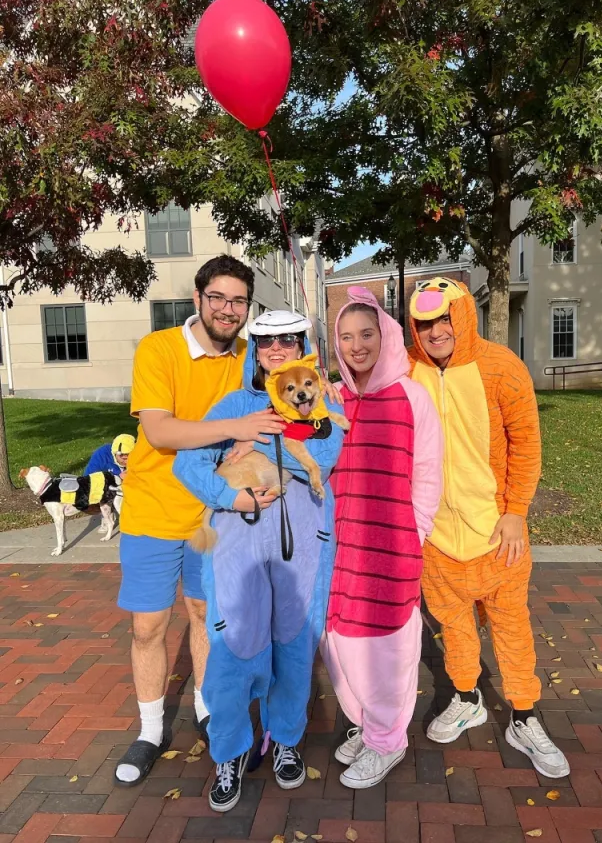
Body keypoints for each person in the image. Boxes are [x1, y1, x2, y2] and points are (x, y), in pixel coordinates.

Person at [114, 255, 286, 788]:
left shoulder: (246, 358)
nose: (228, 310)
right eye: (219, 298)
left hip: (216, 512)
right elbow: (161, 433)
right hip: (154, 509)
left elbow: (287, 389)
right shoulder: (160, 349)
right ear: (198, 299)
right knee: (148, 626)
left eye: (239, 301)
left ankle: (210, 712)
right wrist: (235, 427)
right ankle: (150, 730)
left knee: (205, 615)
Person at [173, 310, 346, 813]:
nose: (277, 348)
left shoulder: (318, 399)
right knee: (233, 650)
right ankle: (229, 752)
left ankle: (286, 740)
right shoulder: (232, 405)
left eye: (288, 340)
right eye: (267, 340)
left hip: (302, 543)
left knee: (294, 646)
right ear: (255, 347)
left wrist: (260, 437)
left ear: (302, 347)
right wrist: (228, 493)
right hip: (237, 546)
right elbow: (190, 461)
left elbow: (325, 454)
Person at [407, 277, 570, 779]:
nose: (435, 332)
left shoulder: (502, 367)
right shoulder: (406, 371)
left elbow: (527, 442)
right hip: (437, 537)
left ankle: (524, 715)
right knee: (454, 627)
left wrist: (517, 510)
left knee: (512, 629)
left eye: (443, 319)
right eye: (424, 323)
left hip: (498, 533)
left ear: (462, 315)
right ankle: (467, 697)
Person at [321, 287, 443, 789]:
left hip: (392, 547)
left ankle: (388, 740)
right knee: (342, 640)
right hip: (341, 548)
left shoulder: (412, 396)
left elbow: (429, 473)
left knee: (388, 648)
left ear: (385, 335)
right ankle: (369, 724)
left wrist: (414, 533)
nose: (356, 346)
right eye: (346, 337)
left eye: (366, 334)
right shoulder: (333, 400)